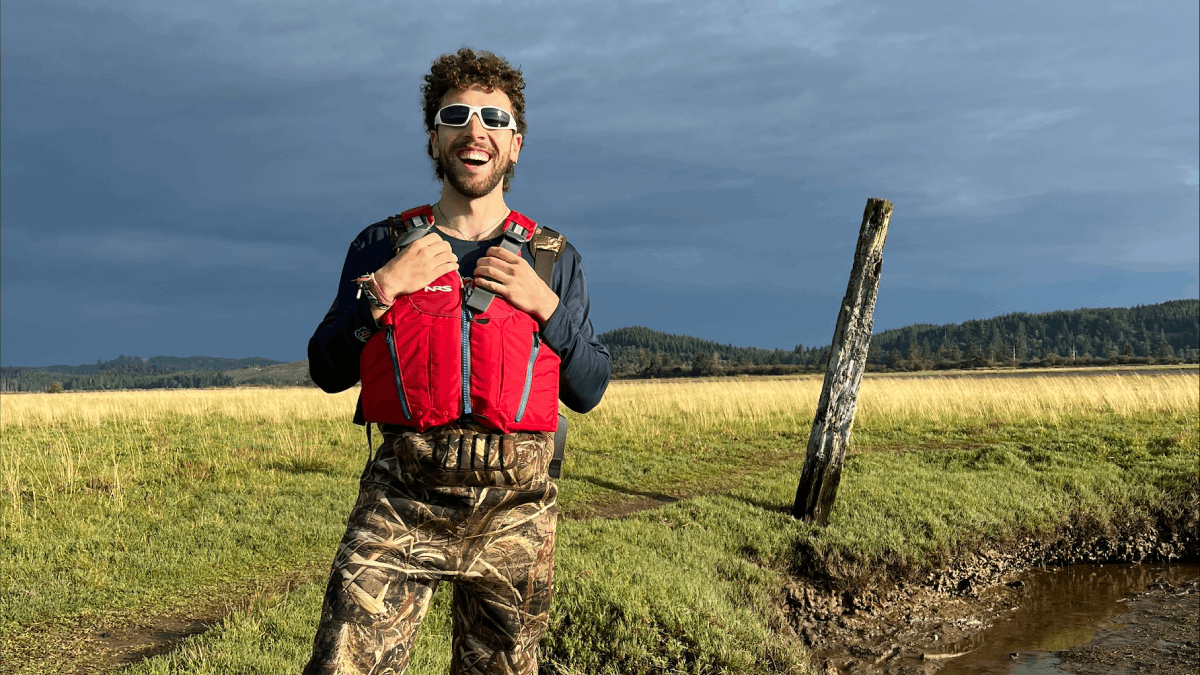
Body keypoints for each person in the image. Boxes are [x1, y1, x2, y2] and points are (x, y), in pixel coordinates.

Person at [303, 48, 610, 674]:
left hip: (515, 510)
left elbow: (589, 387)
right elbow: (327, 369)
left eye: (495, 119)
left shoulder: (554, 258)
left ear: (516, 143)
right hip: (401, 500)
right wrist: (382, 289)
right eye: (457, 115)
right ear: (434, 137)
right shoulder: (380, 246)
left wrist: (546, 307)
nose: (476, 131)